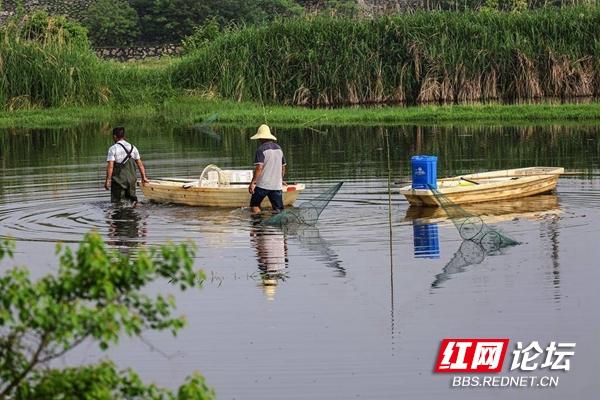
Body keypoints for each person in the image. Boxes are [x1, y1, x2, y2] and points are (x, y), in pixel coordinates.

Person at [104, 126, 149, 206]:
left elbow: (110, 166)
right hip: (132, 179)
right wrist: (143, 177)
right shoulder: (133, 147)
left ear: (114, 136)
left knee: (118, 204)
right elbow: (140, 164)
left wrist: (108, 180)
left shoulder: (113, 149)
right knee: (133, 202)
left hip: (119, 181)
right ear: (124, 136)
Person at [248, 124, 286, 213]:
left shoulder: (261, 150)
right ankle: (278, 225)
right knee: (278, 210)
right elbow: (283, 167)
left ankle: (258, 225)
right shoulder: (279, 148)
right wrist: (281, 179)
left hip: (263, 185)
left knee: (255, 205)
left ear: (261, 138)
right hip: (276, 186)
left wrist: (253, 183)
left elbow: (259, 168)